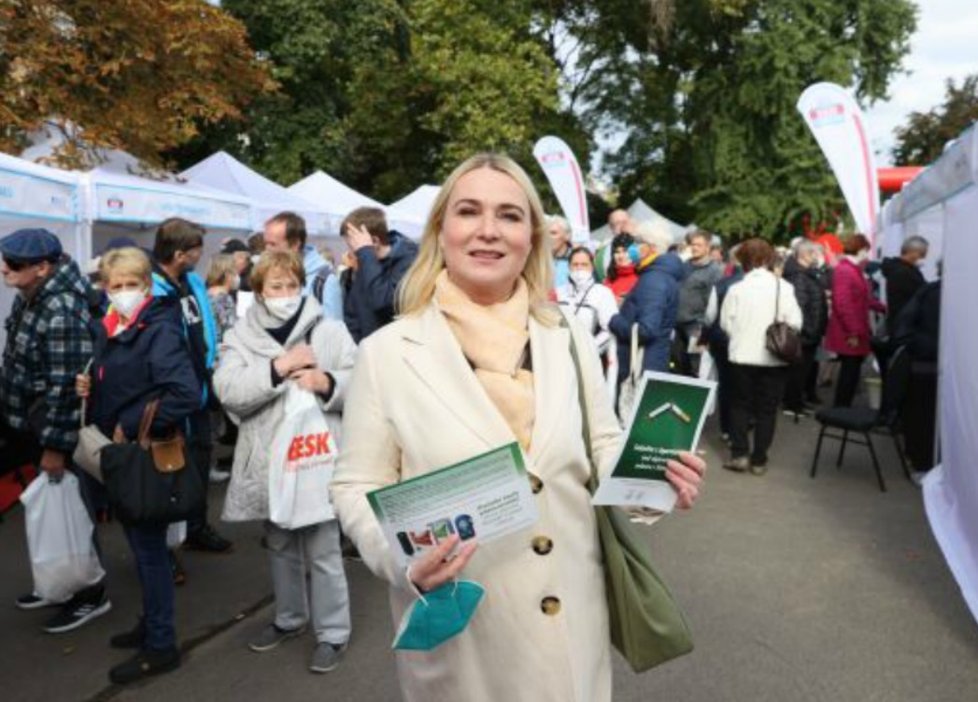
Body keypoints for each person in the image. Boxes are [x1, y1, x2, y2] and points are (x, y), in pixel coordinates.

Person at [330, 153, 706, 702]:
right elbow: (355, 483)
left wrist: (652, 478)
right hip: (465, 645)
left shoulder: (567, 335)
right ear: (441, 231)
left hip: (573, 626)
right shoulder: (387, 353)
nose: (488, 230)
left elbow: (600, 441)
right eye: (468, 212)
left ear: (532, 237)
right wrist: (401, 559)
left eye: (509, 215)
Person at [214, 251, 355, 674]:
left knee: (324, 546)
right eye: (276, 286)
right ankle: (290, 618)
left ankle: (333, 633)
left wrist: (325, 381)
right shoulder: (240, 335)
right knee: (278, 542)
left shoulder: (329, 330)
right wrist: (279, 368)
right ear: (259, 291)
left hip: (318, 458)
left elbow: (362, 380)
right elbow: (228, 389)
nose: (286, 294)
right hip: (270, 460)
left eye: (292, 285)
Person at [75, 247, 200, 684]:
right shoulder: (114, 326)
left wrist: (130, 424)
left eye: (132, 284)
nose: (124, 292)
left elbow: (185, 393)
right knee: (143, 546)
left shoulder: (157, 327)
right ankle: (151, 625)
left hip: (143, 455)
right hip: (124, 454)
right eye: (116, 285)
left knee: (150, 553)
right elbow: (128, 380)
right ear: (106, 290)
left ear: (147, 285)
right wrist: (92, 383)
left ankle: (162, 644)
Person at [1, 228, 111, 633]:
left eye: (12, 264)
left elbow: (67, 388)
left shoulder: (61, 307)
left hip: (54, 432)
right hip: (33, 426)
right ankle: (59, 584)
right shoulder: (31, 295)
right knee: (53, 510)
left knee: (74, 511)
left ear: (42, 267)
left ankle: (90, 592)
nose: (3, 269)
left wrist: (56, 448)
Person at [151, 218, 232, 553]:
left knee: (199, 459)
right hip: (172, 396)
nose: (202, 255)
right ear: (180, 253)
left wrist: (213, 360)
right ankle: (168, 541)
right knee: (170, 469)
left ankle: (197, 527)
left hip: (200, 389)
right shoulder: (153, 289)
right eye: (197, 249)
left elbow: (206, 327)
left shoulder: (193, 282)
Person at [720, 238, 802, 475]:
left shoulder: (736, 289)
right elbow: (796, 322)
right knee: (767, 410)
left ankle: (739, 455)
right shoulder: (783, 288)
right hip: (773, 358)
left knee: (739, 406)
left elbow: (726, 323)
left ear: (743, 260)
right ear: (769, 259)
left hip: (741, 356)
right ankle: (759, 460)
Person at [608, 220, 684, 377]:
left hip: (643, 365)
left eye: (637, 242)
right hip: (649, 362)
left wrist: (613, 319)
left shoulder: (654, 279)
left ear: (650, 247)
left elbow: (646, 331)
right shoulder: (657, 275)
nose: (632, 247)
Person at [340, 206, 419, 343]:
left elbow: (383, 302)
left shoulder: (411, 261)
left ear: (374, 241)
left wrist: (365, 252)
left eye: (353, 247)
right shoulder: (365, 263)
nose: (350, 253)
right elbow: (352, 316)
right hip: (365, 355)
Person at [824, 234, 885, 407]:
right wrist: (852, 331)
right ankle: (841, 407)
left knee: (852, 369)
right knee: (849, 371)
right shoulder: (845, 270)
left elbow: (864, 298)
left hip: (855, 328)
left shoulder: (852, 269)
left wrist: (884, 307)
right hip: (849, 330)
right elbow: (843, 304)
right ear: (861, 249)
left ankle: (843, 405)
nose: (868, 254)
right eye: (866, 250)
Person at [263, 211, 342, 320]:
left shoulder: (323, 281)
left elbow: (334, 332)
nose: (267, 250)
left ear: (295, 244)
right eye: (265, 243)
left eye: (273, 244)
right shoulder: (266, 272)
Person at [781, 240, 828, 418]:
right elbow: (798, 307)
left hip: (810, 333)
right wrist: (808, 331)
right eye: (815, 253)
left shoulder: (805, 274)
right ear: (806, 255)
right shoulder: (799, 276)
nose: (818, 257)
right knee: (797, 373)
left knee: (802, 372)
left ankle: (797, 402)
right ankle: (791, 405)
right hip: (803, 334)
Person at [702, 247, 744, 440]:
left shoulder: (722, 284)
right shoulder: (765, 285)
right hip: (748, 341)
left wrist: (705, 337)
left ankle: (727, 428)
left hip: (722, 339)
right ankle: (743, 425)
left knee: (726, 385)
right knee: (746, 385)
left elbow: (710, 316)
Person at [675, 229, 723, 376]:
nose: (694, 248)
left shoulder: (714, 271)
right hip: (676, 324)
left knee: (696, 368)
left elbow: (714, 302)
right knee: (677, 366)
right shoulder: (682, 266)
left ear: (708, 247)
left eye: (698, 245)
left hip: (697, 326)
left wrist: (704, 329)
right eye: (691, 244)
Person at [881, 236, 928, 333]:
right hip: (905, 326)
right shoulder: (904, 273)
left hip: (899, 323)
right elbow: (922, 293)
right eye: (922, 254)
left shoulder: (898, 269)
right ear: (912, 252)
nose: (923, 258)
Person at [205, 254, 239, 342]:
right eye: (234, 272)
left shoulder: (206, 294)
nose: (237, 276)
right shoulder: (224, 299)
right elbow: (230, 330)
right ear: (227, 275)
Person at [603, 233, 639, 304]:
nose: (621, 256)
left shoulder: (643, 276)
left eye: (625, 251)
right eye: (617, 252)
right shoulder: (608, 281)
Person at [547, 215, 573, 288]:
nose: (548, 237)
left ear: (567, 236)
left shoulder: (577, 258)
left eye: (553, 233)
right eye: (546, 234)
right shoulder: (540, 260)